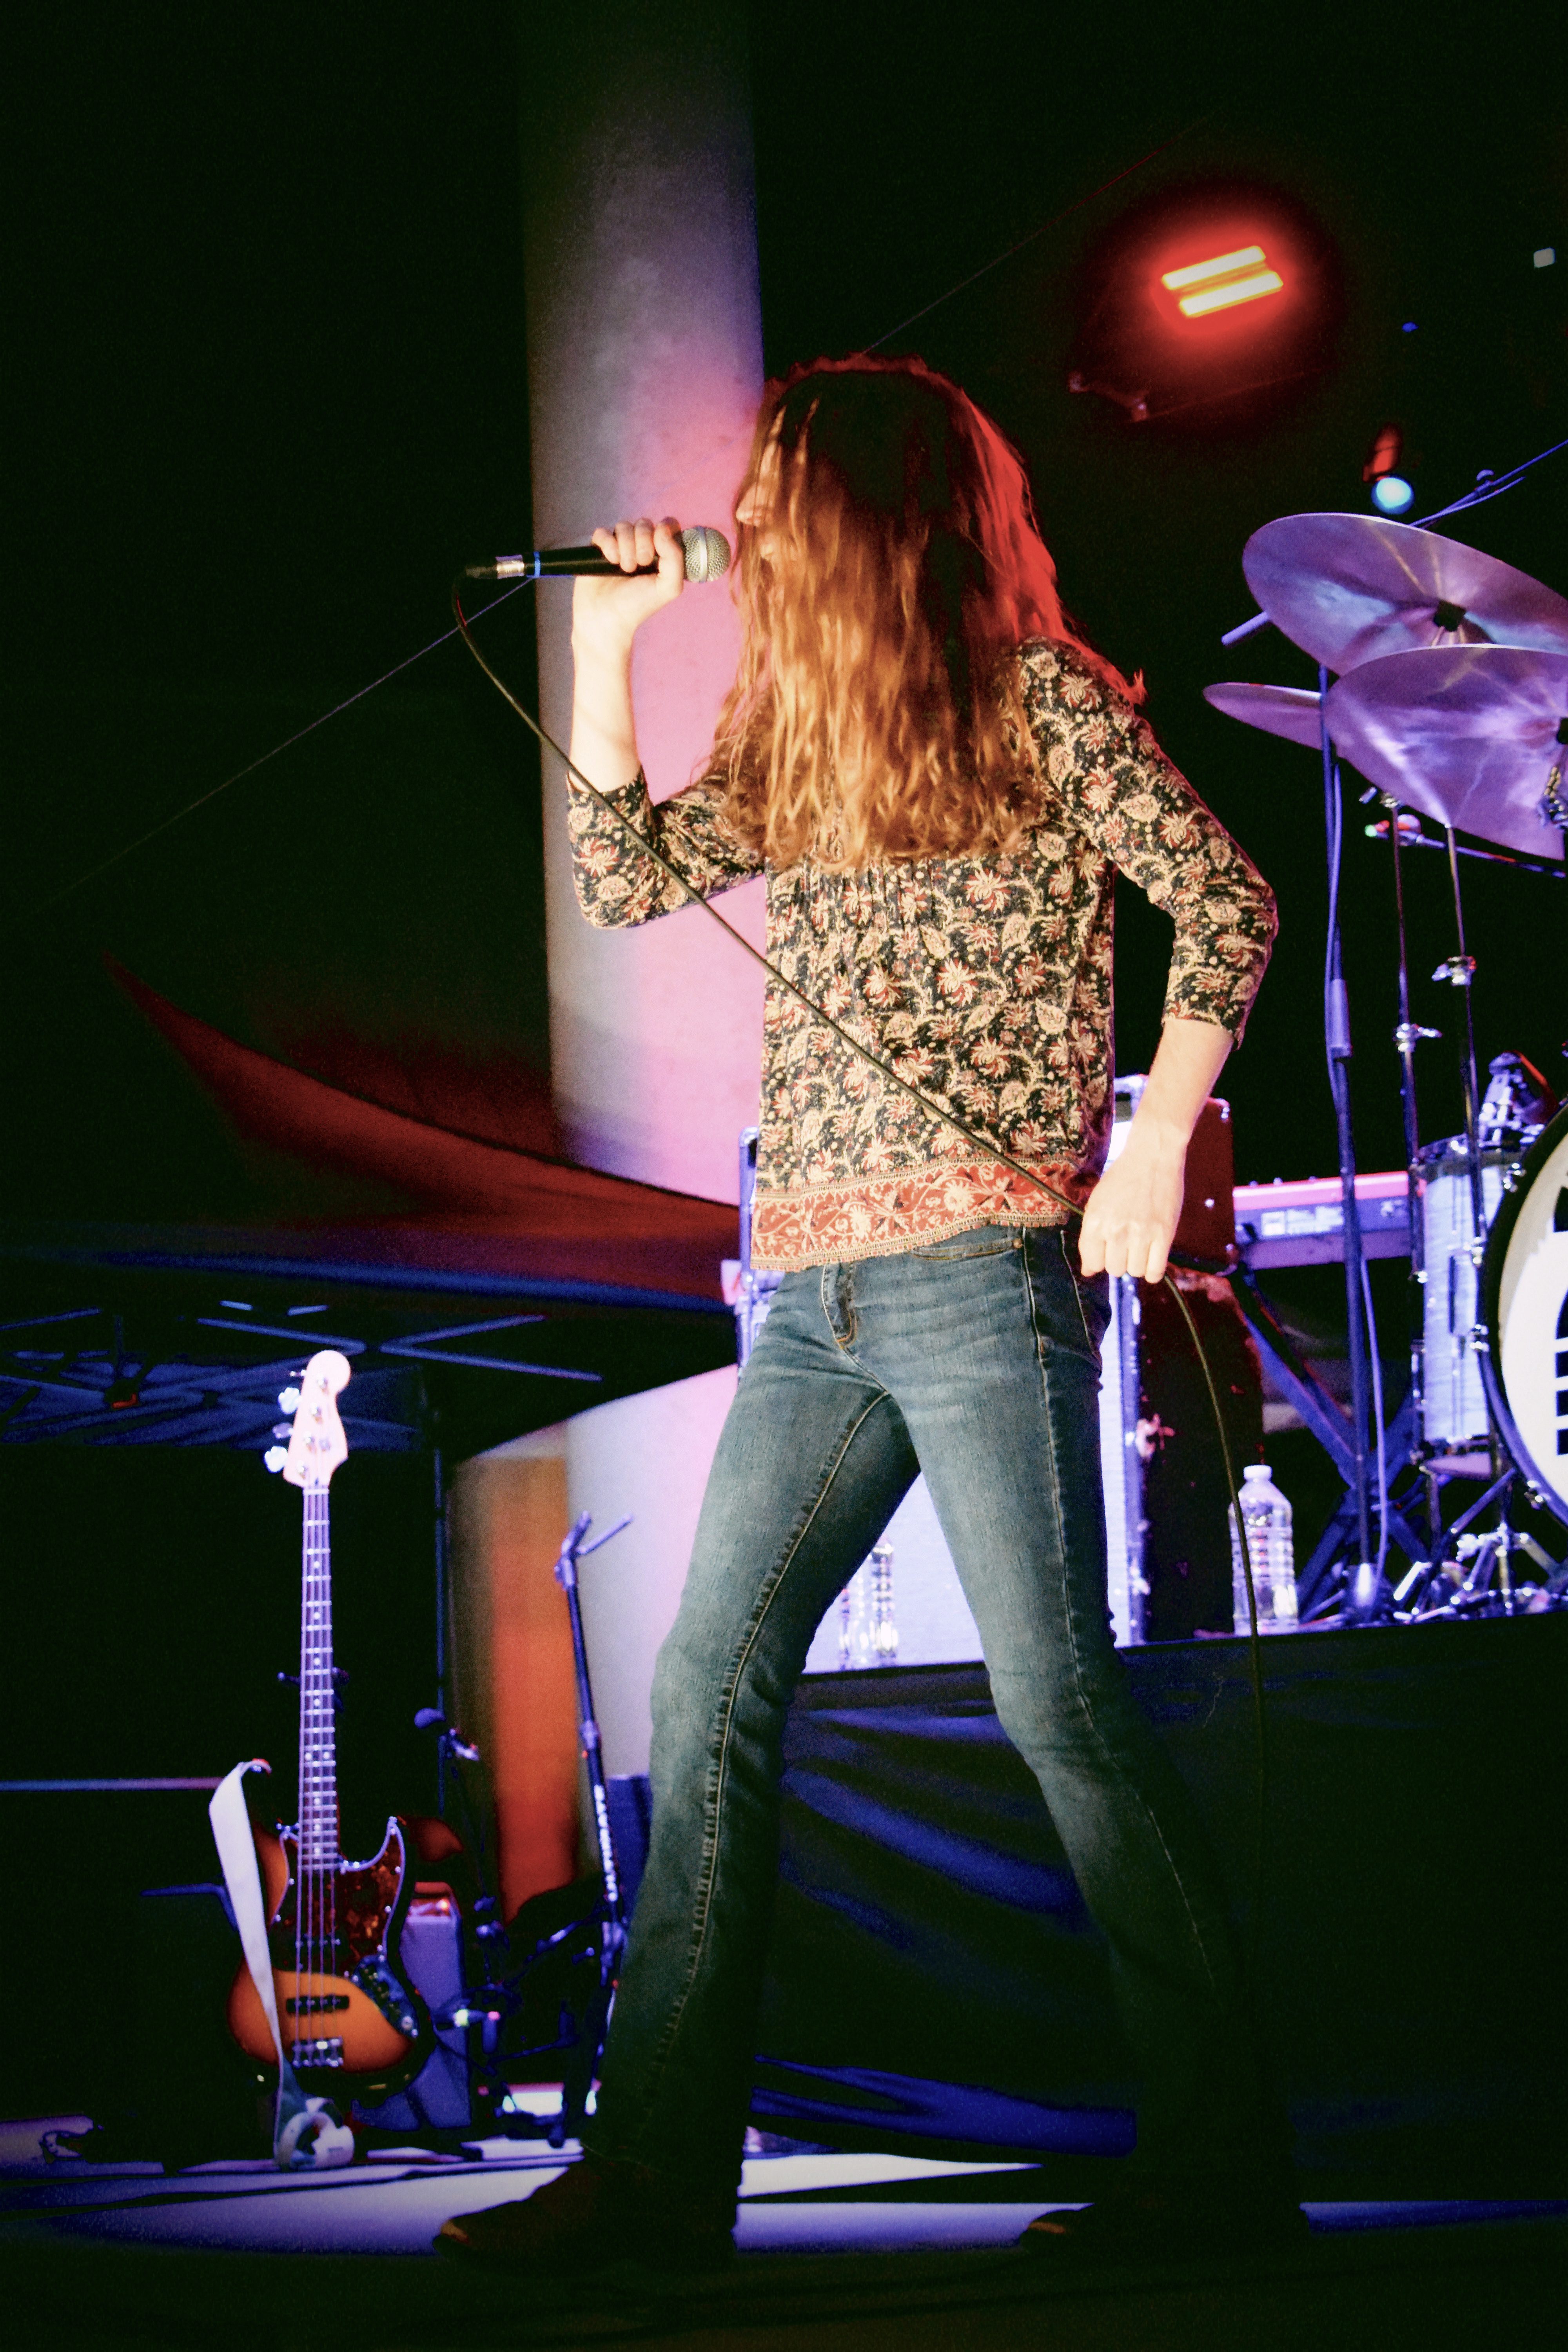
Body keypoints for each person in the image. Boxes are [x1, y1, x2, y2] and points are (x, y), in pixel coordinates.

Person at [440, 356, 1285, 2270]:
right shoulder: (795, 728)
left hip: (980, 1272)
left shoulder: (1040, 700)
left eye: (772, 488)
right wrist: (604, 643)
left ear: (865, 515)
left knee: (1053, 1699)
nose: (743, 519)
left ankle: (1224, 2167)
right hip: (812, 1290)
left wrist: (1151, 1145)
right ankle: (657, 2186)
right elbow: (623, 877)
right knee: (708, 1683)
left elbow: (1225, 904)